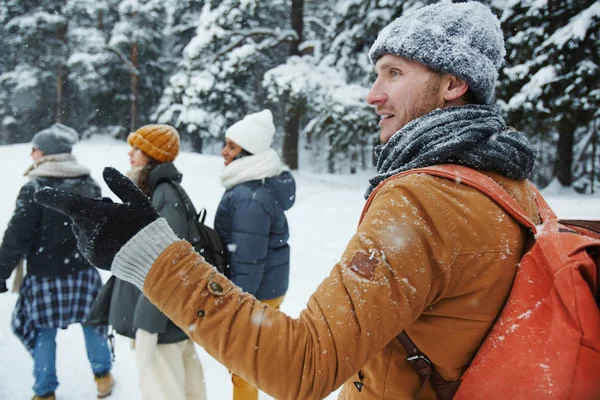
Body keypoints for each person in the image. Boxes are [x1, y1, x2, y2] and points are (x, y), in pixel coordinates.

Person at [36, 2, 541, 399]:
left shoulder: (427, 201)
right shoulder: (514, 190)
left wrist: (149, 256)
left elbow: (302, 366)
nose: (372, 94)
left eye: (393, 73)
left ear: (453, 83)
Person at [0, 124, 114, 400]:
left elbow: (17, 236)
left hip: (44, 276)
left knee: (44, 333)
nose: (31, 153)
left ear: (48, 152)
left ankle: (44, 391)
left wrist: (1, 270)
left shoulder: (35, 188)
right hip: (82, 272)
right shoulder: (88, 183)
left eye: (35, 148)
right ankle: (103, 377)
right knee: (92, 324)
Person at [107, 124, 207, 400]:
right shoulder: (162, 190)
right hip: (172, 318)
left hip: (161, 323)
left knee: (164, 392)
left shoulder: (164, 194)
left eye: (137, 148)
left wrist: (148, 326)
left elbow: (168, 266)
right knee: (188, 391)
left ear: (152, 155)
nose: (130, 153)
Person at [216, 109, 296, 400]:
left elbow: (249, 258)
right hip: (267, 288)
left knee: (245, 364)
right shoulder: (252, 186)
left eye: (231, 146)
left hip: (255, 292)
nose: (223, 152)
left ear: (248, 152)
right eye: (225, 144)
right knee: (258, 358)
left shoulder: (250, 196)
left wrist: (236, 302)